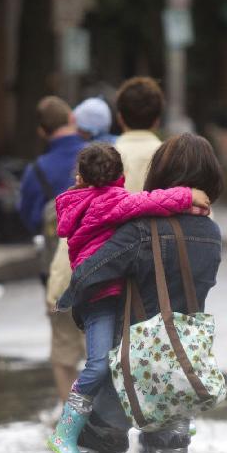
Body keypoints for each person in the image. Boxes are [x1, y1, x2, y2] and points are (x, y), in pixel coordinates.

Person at [55, 133, 223, 453]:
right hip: (177, 367)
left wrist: (75, 305)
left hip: (127, 363)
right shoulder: (210, 232)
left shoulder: (140, 230)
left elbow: (88, 275)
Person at [47, 142, 210, 453]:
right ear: (119, 176)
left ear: (80, 177)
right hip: (100, 296)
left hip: (112, 292)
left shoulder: (79, 201)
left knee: (134, 356)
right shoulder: (108, 201)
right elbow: (150, 201)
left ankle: (166, 412)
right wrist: (189, 196)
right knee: (99, 365)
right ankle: (65, 432)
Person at [45, 78, 165, 397]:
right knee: (147, 364)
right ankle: (153, 435)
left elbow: (77, 230)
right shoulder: (170, 156)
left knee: (92, 357)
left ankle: (81, 428)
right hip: (154, 284)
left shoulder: (104, 157)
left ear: (120, 117)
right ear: (157, 119)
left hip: (101, 280)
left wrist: (59, 284)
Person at [18, 96, 87, 401]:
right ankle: (108, 420)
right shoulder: (97, 156)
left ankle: (71, 420)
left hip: (56, 273)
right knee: (105, 344)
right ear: (72, 119)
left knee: (64, 348)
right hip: (102, 266)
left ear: (42, 132)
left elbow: (28, 217)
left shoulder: (37, 171)